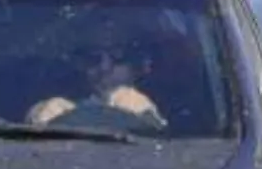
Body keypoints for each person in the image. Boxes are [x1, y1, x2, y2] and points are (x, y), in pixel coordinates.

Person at [25, 25, 167, 131]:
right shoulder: (53, 109)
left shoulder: (173, 112)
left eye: (118, 56)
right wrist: (45, 129)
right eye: (92, 58)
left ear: (141, 66)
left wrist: (147, 120)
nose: (104, 68)